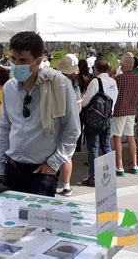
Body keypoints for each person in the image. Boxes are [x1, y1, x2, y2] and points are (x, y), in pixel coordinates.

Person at [0, 32, 80, 197]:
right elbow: (5, 128)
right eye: (13, 59)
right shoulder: (9, 88)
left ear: (38, 61)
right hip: (12, 169)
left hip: (42, 172)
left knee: (38, 222)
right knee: (10, 220)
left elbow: (72, 129)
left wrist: (54, 163)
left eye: (23, 60)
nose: (17, 65)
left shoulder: (59, 85)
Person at [80, 60, 118, 187]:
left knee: (93, 148)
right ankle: (108, 175)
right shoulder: (113, 81)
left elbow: (85, 103)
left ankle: (94, 178)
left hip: (94, 121)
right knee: (106, 146)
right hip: (108, 118)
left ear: (96, 69)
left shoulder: (96, 82)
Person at [112, 54, 138, 176]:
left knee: (117, 138)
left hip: (119, 110)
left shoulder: (119, 78)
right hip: (131, 110)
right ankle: (134, 164)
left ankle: (119, 166)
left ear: (124, 65)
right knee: (131, 137)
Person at [55, 55, 82, 196]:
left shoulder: (53, 82)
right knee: (66, 155)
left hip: (54, 122)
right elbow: (79, 107)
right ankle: (66, 185)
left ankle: (51, 181)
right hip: (70, 123)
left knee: (51, 152)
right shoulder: (75, 84)